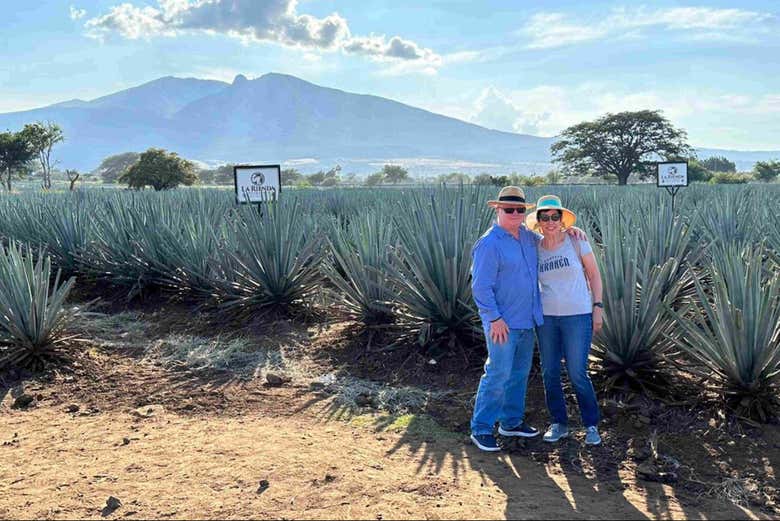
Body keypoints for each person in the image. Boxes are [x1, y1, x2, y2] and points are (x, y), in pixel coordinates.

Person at [525, 195, 604, 446]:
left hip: (578, 316)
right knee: (549, 371)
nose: (550, 221)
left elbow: (594, 275)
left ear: (562, 219)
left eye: (555, 216)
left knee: (577, 372)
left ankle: (591, 425)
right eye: (545, 217)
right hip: (547, 318)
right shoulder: (534, 248)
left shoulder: (576, 241)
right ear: (538, 221)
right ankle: (559, 423)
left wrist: (598, 307)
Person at [469, 186, 542, 452]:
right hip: (502, 323)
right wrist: (494, 318)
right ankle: (481, 428)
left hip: (527, 320)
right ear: (498, 210)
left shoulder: (527, 237)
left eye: (519, 209)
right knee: (498, 373)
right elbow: (480, 287)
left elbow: (555, 239)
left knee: (519, 374)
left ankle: (511, 422)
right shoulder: (489, 244)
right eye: (508, 209)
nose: (514, 213)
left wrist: (573, 233)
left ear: (525, 212)